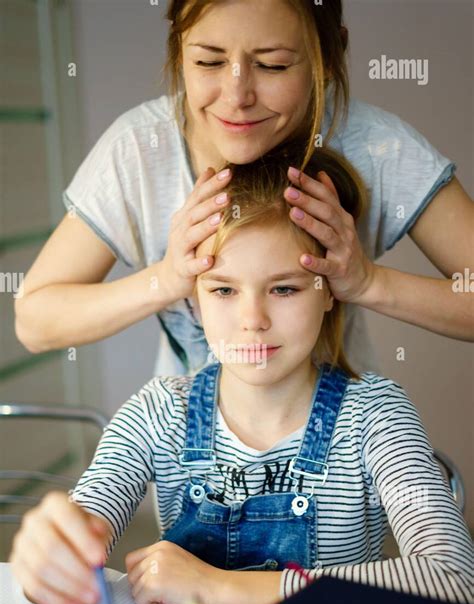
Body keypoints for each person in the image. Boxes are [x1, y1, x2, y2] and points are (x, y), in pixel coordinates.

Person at [11, 140, 474, 604]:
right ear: (194, 297)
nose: (252, 319)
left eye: (284, 288)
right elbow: (71, 554)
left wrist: (219, 589)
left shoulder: (376, 415)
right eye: (224, 289)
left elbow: (452, 581)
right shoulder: (157, 412)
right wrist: (50, 563)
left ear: (330, 291)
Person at [14, 0, 474, 378]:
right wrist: (168, 279)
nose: (237, 96)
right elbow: (35, 320)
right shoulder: (138, 149)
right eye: (208, 61)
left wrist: (369, 282)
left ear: (329, 58)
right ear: (178, 53)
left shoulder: (377, 147)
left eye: (272, 65)